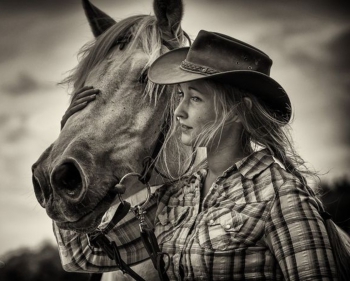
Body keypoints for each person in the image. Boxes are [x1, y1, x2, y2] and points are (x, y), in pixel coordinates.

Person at [54, 30, 349, 280]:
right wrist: (68, 133)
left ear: (238, 111)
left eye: (195, 98)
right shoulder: (176, 197)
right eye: (179, 95)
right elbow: (84, 254)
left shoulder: (281, 197)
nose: (179, 111)